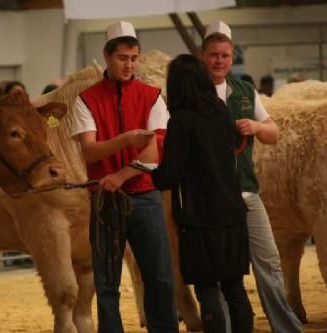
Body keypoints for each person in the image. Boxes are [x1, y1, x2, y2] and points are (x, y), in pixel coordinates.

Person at [71, 21, 178, 333]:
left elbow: (154, 152)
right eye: (122, 58)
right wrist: (126, 139)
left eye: (134, 58)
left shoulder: (153, 96)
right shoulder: (86, 99)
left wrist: (119, 174)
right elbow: (89, 152)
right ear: (106, 56)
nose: (129, 64)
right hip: (104, 201)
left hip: (145, 196)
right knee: (106, 282)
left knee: (159, 276)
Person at [200, 20, 303, 332]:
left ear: (232, 58)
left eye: (225, 55)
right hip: (208, 197)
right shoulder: (192, 91)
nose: (219, 60)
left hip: (246, 192)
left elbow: (273, 132)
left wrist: (257, 127)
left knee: (268, 263)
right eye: (214, 54)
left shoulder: (245, 90)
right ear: (202, 55)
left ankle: (285, 326)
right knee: (220, 271)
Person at [151, 54, 253, 333]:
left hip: (199, 221)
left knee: (208, 293)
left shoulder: (181, 121)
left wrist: (148, 173)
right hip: (233, 213)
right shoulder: (221, 111)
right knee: (235, 291)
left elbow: (169, 175)